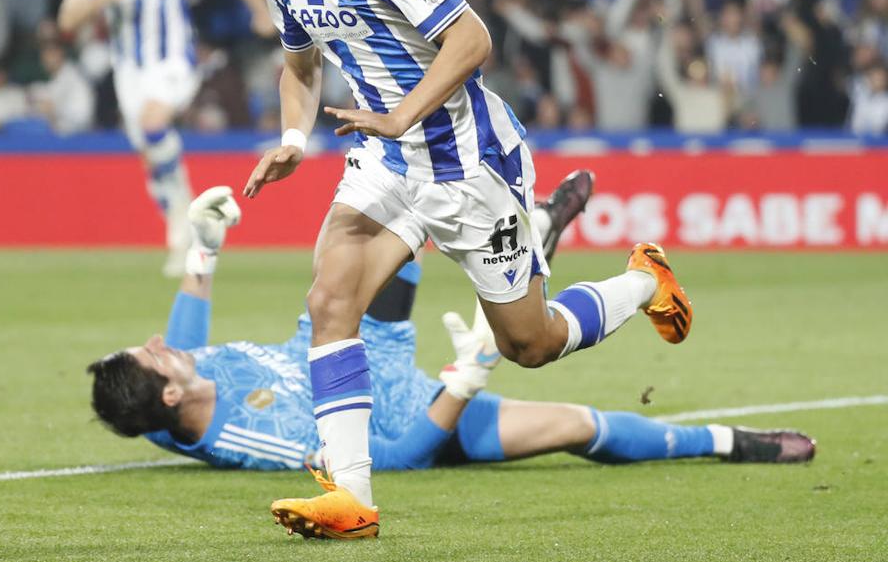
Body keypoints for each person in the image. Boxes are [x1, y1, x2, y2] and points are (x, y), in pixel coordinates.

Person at [239, 0, 694, 538]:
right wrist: (292, 137)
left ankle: (642, 282)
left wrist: (399, 117)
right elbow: (301, 65)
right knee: (330, 299)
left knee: (531, 344)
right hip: (386, 160)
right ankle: (352, 497)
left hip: (464, 161)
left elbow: (471, 38)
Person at [88, 187, 814, 541]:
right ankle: (730, 440)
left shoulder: (169, 400)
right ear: (174, 392)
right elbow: (398, 458)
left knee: (401, 206)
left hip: (348, 332)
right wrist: (465, 381)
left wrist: (203, 249)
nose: (160, 340)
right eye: (152, 356)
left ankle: (525, 245)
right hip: (411, 414)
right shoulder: (259, 440)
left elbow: (170, 362)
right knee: (579, 425)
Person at [58, 0, 273, 277]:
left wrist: (260, 11)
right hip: (128, 72)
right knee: (151, 157)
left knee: (153, 123)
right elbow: (67, 19)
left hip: (173, 62)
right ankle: (184, 228)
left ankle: (183, 221)